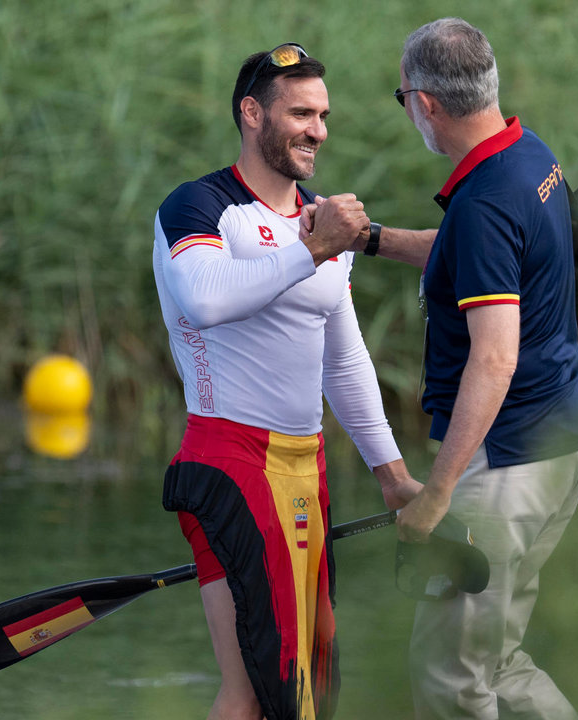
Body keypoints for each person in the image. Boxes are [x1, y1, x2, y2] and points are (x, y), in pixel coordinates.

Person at [304, 17, 578, 719]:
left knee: (449, 681)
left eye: (402, 97)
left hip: (505, 470)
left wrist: (436, 495)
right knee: (499, 663)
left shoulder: (486, 199)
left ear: (425, 104)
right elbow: (472, 248)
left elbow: (495, 357)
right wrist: (370, 240)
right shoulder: (527, 158)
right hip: (560, 449)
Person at [152, 43, 421, 720]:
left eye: (323, 114)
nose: (319, 130)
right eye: (300, 112)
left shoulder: (320, 215)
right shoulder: (199, 207)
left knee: (282, 692)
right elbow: (204, 299)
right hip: (228, 460)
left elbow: (345, 359)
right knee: (290, 695)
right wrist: (313, 248)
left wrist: (391, 476)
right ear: (251, 113)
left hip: (307, 470)